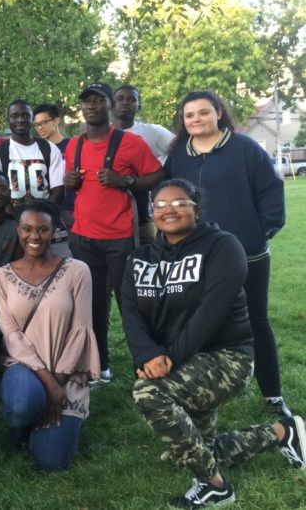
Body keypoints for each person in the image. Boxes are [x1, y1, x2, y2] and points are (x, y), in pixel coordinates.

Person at [121, 179, 306, 508]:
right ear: (152, 212)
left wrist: (168, 363)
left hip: (226, 357)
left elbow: (210, 314)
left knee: (149, 392)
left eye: (179, 202)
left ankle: (215, 487)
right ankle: (283, 432)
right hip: (178, 359)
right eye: (160, 205)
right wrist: (146, 354)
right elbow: (131, 313)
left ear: (197, 207)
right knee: (195, 449)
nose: (169, 210)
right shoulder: (139, 259)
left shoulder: (222, 246)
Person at [164, 90, 289, 417]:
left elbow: (272, 195)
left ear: (219, 113)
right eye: (189, 115)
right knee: (195, 325)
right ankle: (195, 394)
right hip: (197, 258)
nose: (195, 120)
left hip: (247, 256)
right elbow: (166, 197)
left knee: (256, 323)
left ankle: (273, 396)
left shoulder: (245, 149)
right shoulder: (179, 156)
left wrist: (257, 233)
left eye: (203, 113)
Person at [63, 82, 163, 385]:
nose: (91, 105)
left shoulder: (129, 143)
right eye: (86, 102)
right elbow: (74, 185)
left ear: (110, 106)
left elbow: (158, 173)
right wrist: (70, 182)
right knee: (92, 306)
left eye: (98, 100)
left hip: (120, 237)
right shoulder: (73, 145)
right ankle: (101, 366)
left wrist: (126, 181)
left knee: (130, 302)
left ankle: (144, 364)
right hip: (83, 237)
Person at [0, 201, 99, 470]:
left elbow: (81, 330)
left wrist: (59, 382)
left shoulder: (77, 270)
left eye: (43, 229)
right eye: (27, 229)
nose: (34, 236)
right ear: (18, 230)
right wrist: (48, 383)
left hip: (68, 373)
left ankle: (43, 425)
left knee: (52, 462)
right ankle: (24, 420)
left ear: (54, 232)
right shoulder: (1, 276)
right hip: (23, 366)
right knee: (21, 406)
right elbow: (11, 334)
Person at [113, 85, 175, 245]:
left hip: (143, 215)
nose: (125, 103)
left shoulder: (153, 132)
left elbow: (180, 149)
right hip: (111, 220)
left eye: (131, 99)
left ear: (139, 106)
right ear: (111, 104)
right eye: (120, 99)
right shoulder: (101, 135)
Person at [0, 99, 64, 209]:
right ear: (8, 119)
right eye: (15, 116)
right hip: (10, 219)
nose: (20, 120)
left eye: (26, 116)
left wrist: (43, 213)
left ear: (32, 119)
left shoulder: (49, 148)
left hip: (43, 217)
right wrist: (14, 218)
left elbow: (58, 189)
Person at [33, 104, 74, 229]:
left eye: (43, 122)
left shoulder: (72, 146)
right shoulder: (36, 150)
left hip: (71, 208)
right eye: (36, 124)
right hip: (46, 207)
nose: (40, 128)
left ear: (56, 121)